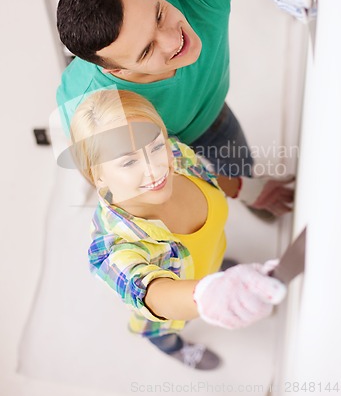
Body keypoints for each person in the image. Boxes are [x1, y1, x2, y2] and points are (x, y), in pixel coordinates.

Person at [56, 0, 318, 181]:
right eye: (146, 51)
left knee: (246, 178)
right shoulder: (95, 113)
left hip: (209, 115)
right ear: (116, 70)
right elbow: (106, 180)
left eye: (158, 15)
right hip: (147, 147)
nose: (173, 41)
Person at [67, 89, 288, 370]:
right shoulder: (111, 247)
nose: (155, 169)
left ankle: (214, 271)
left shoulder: (175, 154)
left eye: (155, 144)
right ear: (96, 175)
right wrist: (206, 294)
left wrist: (248, 190)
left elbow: (208, 176)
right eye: (128, 161)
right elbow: (151, 293)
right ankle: (175, 349)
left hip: (207, 260)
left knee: (214, 264)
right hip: (170, 313)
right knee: (164, 333)